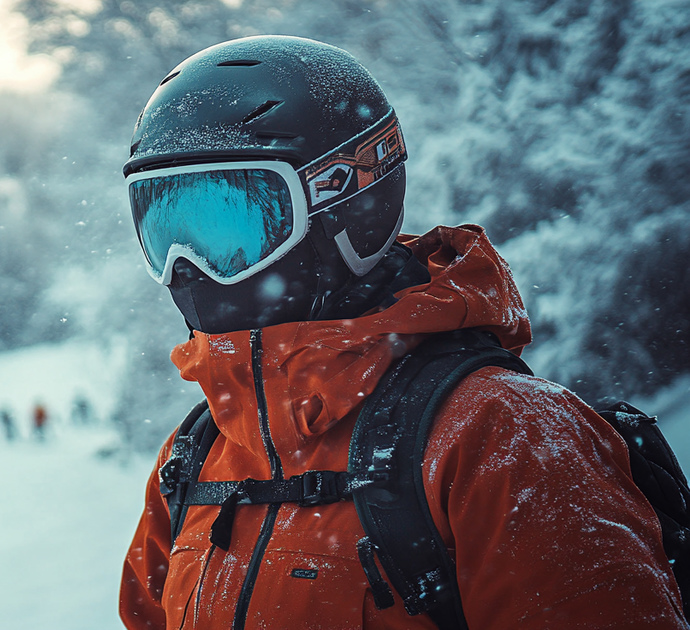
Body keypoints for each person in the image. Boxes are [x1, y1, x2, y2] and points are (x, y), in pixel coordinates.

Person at [117, 36, 685, 629]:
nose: (186, 267)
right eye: (164, 226)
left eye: (225, 222)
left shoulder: (499, 433)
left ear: (346, 207)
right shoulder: (199, 454)